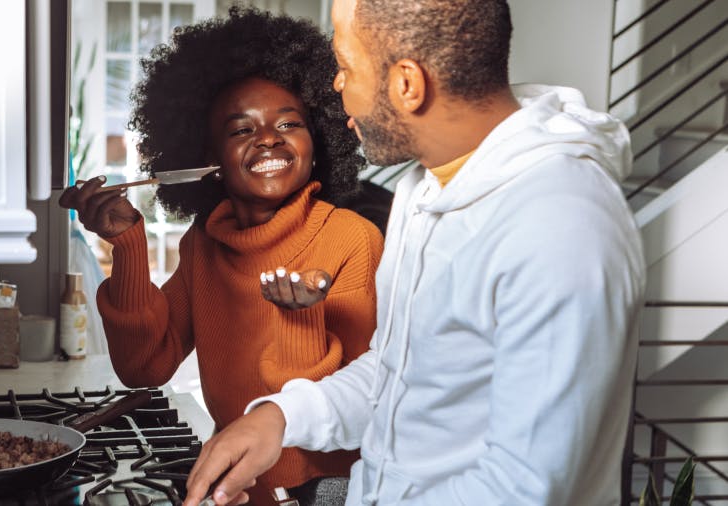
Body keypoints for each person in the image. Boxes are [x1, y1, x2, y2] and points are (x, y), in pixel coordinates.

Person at [182, 0, 647, 504]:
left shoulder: (560, 224)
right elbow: (397, 370)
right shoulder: (422, 190)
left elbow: (524, 488)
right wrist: (281, 417)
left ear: (407, 84)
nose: (336, 87)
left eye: (345, 67)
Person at [58, 7, 384, 504]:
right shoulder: (204, 244)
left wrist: (300, 320)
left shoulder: (353, 239)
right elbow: (145, 368)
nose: (269, 137)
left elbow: (371, 399)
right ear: (207, 159)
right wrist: (127, 246)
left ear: (318, 144)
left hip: (326, 490)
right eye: (241, 129)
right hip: (235, 484)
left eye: (289, 122)